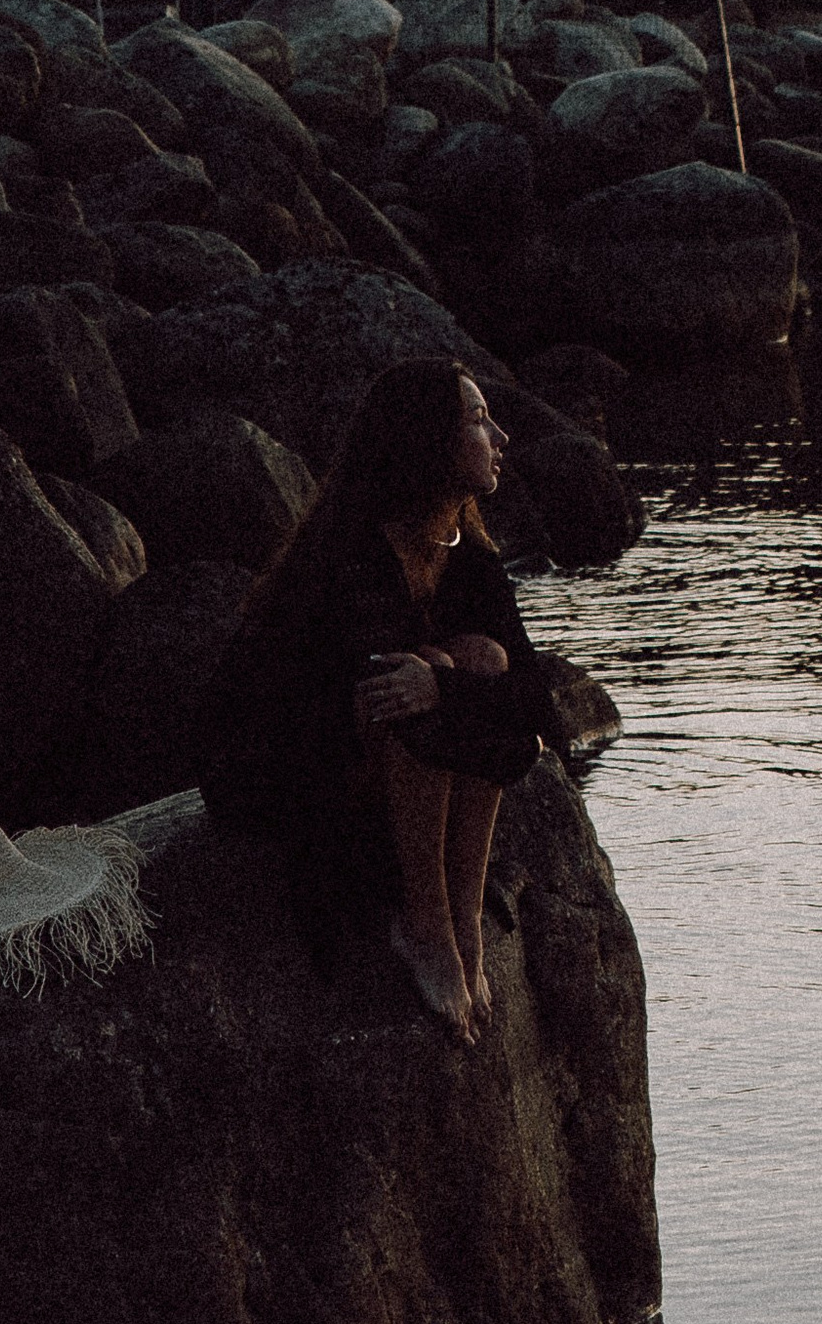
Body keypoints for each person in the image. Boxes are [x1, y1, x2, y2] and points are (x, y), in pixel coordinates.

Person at [196, 358, 557, 1040]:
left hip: (387, 782)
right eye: (478, 421)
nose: (501, 437)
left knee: (480, 672)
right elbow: (328, 705)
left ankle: (463, 916)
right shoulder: (351, 558)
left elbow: (537, 708)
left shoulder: (470, 560)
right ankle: (426, 926)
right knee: (416, 686)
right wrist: (442, 677)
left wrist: (449, 675)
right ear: (428, 441)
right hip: (293, 775)